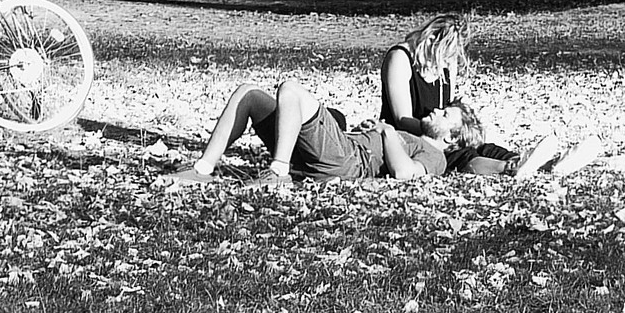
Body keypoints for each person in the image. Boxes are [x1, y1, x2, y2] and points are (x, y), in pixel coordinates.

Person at [381, 14, 603, 179]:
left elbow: (451, 104)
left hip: (442, 130)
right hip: (413, 135)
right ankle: (511, 168)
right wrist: (441, 132)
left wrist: (461, 128)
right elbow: (402, 118)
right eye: (441, 58)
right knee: (463, 156)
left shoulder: (448, 63)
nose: (443, 66)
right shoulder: (400, 59)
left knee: (484, 147)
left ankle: (545, 163)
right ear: (429, 41)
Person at [159, 79, 483, 186]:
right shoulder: (408, 136)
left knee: (291, 89)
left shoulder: (437, 156)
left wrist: (387, 133)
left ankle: (278, 171)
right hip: (336, 150)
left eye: (445, 115)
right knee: (250, 94)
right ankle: (203, 168)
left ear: (453, 137)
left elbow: (404, 173)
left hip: (344, 161)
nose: (435, 110)